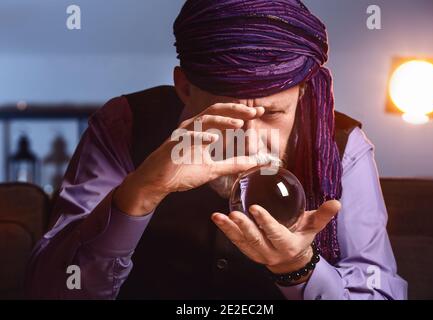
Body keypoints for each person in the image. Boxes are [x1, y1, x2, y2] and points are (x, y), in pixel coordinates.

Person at [26, 0, 407, 299]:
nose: (250, 140)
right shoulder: (123, 125)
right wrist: (137, 195)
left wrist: (298, 266)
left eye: (272, 113)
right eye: (225, 113)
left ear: (303, 91)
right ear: (185, 88)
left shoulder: (346, 147)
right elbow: (50, 290)